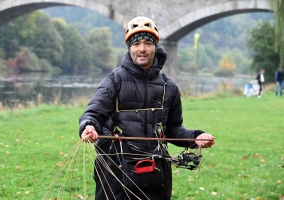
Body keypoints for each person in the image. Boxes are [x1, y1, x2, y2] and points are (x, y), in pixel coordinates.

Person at [79, 16, 215, 200]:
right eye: (136, 44)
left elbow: (173, 129)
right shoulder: (113, 81)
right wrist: (89, 126)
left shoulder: (169, 87)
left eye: (148, 43)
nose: (142, 49)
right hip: (115, 173)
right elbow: (93, 113)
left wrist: (195, 137)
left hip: (156, 172)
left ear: (155, 46)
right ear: (130, 47)